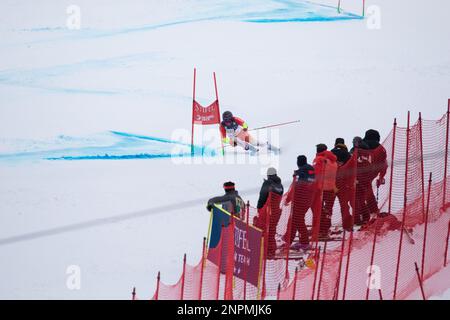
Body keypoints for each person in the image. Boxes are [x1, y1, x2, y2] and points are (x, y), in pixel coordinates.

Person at [284, 155, 316, 251]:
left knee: (298, 220)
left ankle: (304, 242)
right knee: (296, 219)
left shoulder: (300, 173)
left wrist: (288, 199)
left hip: (299, 200)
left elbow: (295, 187)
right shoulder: (311, 171)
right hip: (308, 199)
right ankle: (289, 239)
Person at [253, 167, 284, 259]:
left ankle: (264, 250)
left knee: (262, 230)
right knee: (271, 230)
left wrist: (259, 208)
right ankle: (271, 250)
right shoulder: (280, 185)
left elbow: (262, 196)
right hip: (276, 211)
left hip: (267, 211)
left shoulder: (267, 183)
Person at [311, 144, 338, 241]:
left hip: (320, 188)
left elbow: (315, 173)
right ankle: (325, 229)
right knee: (327, 210)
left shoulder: (319, 159)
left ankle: (320, 230)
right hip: (331, 188)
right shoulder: (333, 160)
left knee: (318, 210)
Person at [363, 129, 388, 216]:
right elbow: (384, 165)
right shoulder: (381, 149)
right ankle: (371, 209)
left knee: (360, 192)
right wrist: (381, 176)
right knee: (366, 190)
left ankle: (368, 211)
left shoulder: (362, 145)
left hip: (360, 172)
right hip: (373, 172)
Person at [331, 138, 354, 231]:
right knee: (344, 204)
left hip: (332, 182)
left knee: (328, 205)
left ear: (335, 144)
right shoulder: (348, 155)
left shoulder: (331, 153)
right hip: (345, 182)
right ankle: (347, 225)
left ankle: (323, 226)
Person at [352, 136, 372, 225]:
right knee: (360, 199)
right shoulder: (368, 152)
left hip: (358, 178)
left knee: (356, 199)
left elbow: (352, 163)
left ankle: (359, 218)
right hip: (366, 178)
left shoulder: (356, 151)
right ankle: (365, 217)